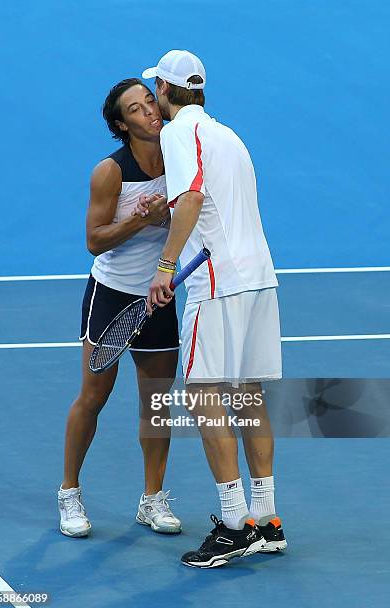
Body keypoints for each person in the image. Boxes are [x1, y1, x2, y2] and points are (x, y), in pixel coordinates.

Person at [137, 50, 287, 567]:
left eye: (154, 87)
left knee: (203, 396)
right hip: (258, 278)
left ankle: (231, 523)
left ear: (164, 91)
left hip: (217, 281)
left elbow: (193, 200)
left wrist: (165, 267)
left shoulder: (180, 133)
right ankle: (266, 520)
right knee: (247, 395)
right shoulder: (230, 136)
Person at [57, 78, 181, 537]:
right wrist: (141, 219)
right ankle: (69, 493)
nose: (149, 111)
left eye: (151, 101)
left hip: (158, 298)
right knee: (94, 398)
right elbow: (95, 241)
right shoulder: (110, 172)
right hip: (111, 297)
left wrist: (168, 218)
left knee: (156, 404)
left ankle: (153, 499)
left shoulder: (179, 155)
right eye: (136, 109)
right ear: (120, 124)